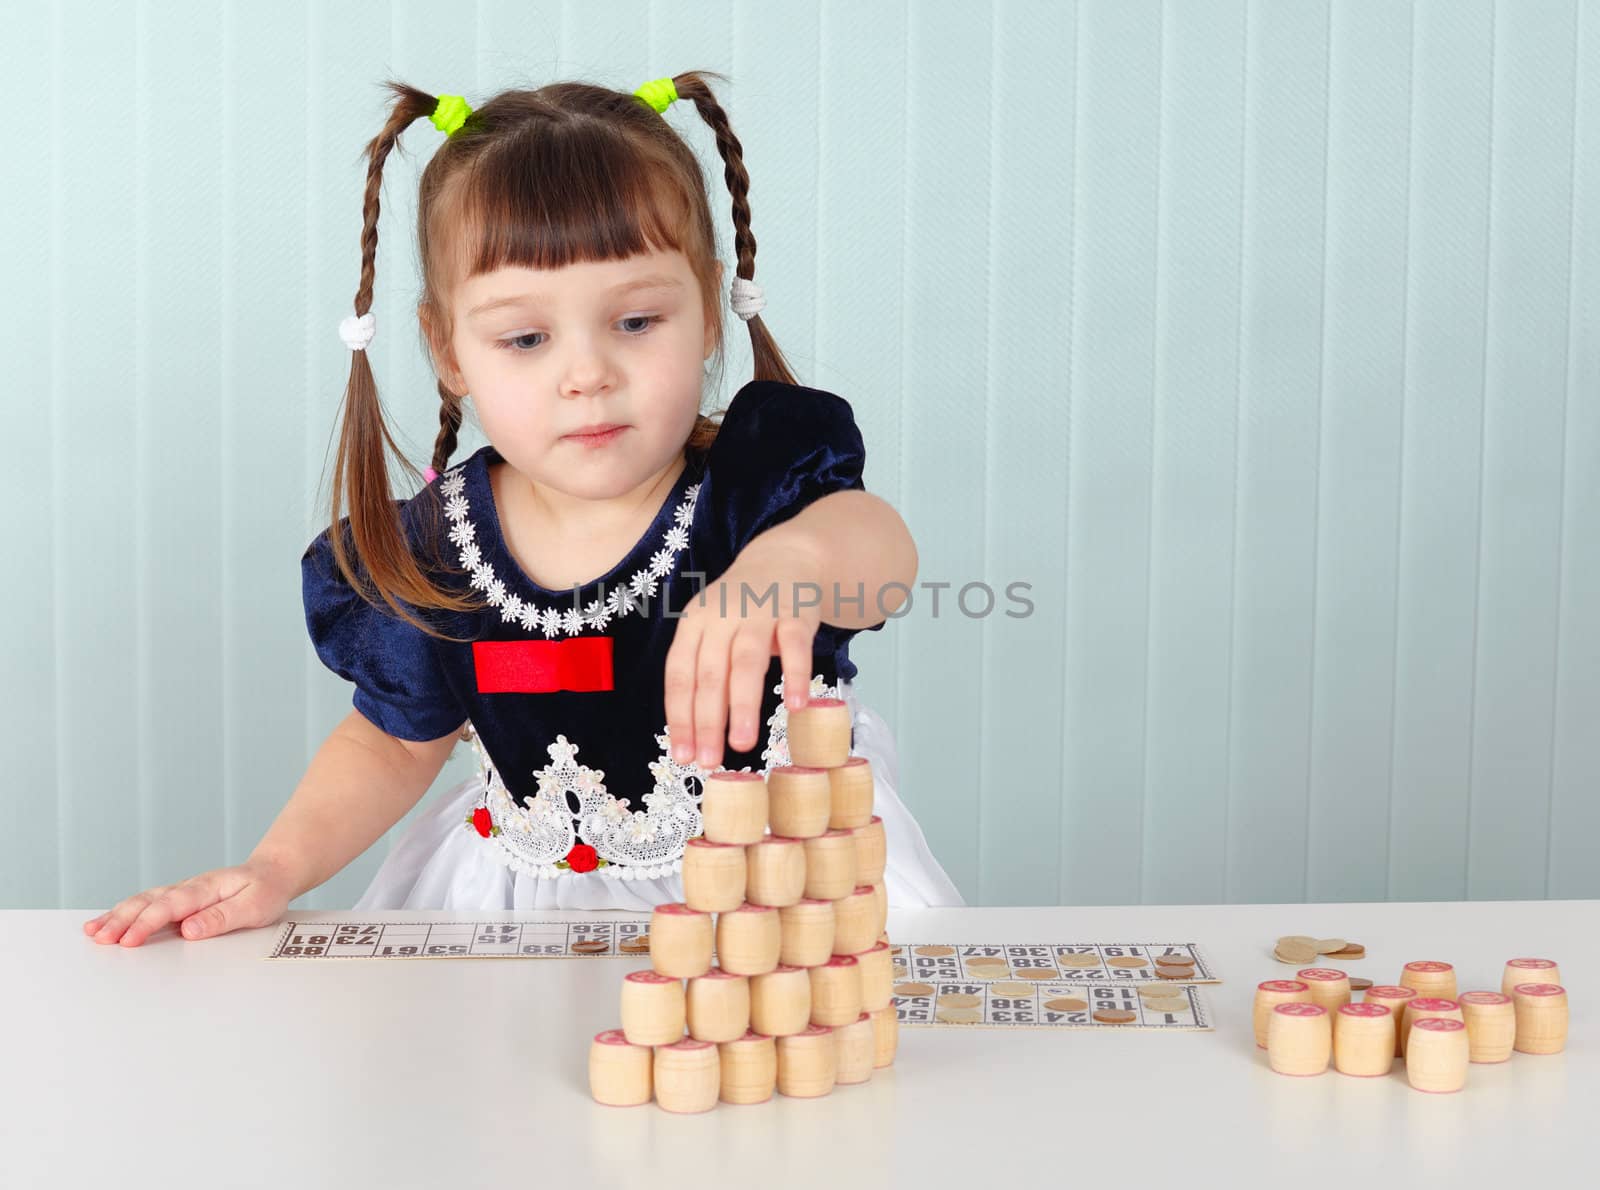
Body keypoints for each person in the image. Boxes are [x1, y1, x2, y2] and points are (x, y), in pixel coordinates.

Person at [83, 71, 963, 948]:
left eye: (637, 321)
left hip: (780, 891)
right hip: (528, 905)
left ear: (707, 316)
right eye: (527, 339)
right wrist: (273, 868)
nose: (586, 374)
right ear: (450, 351)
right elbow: (391, 747)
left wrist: (797, 566)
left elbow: (878, 554)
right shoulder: (437, 550)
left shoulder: (753, 488)